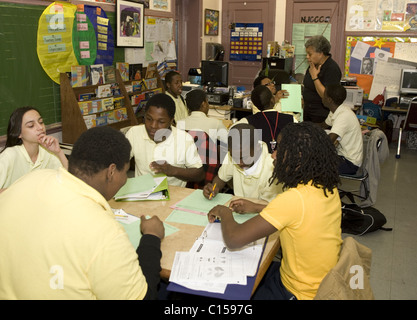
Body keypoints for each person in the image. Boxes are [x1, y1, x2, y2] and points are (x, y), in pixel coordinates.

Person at [0, 126, 165, 299]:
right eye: (125, 172)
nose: (125, 179)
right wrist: (151, 237)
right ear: (111, 172)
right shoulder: (105, 233)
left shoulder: (30, 178)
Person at [207, 121, 343, 300]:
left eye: (280, 149)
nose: (273, 155)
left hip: (299, 292)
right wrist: (256, 207)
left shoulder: (293, 199)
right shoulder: (326, 187)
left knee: (229, 291)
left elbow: (234, 239)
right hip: (318, 280)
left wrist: (224, 212)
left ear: (298, 156)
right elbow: (297, 215)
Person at [125, 93, 205, 187]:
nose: (153, 126)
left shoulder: (184, 139)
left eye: (161, 122)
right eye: (149, 119)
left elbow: (199, 174)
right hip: (141, 193)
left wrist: (173, 170)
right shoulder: (134, 133)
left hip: (174, 196)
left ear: (171, 121)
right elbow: (119, 162)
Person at [203, 123, 283, 203]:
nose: (239, 163)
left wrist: (249, 207)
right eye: (234, 157)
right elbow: (221, 178)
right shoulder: (234, 155)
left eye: (243, 158)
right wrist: (213, 188)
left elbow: (271, 206)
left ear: (257, 148)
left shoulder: (272, 167)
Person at [0, 107, 68, 192]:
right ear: (19, 133)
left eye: (41, 122)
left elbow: (69, 180)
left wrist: (59, 153)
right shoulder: (9, 156)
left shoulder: (48, 152)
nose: (40, 127)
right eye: (31, 126)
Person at [234, 85, 294, 153]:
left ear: (254, 104)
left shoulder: (246, 121)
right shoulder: (291, 119)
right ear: (273, 99)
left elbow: (230, 136)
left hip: (259, 162)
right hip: (283, 162)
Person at [321, 84, 363, 175]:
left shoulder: (343, 116)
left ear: (329, 100)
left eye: (324, 95)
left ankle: (321, 188)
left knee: (313, 163)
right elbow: (323, 125)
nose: (322, 97)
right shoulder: (336, 110)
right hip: (342, 155)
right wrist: (305, 126)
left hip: (350, 163)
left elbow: (328, 142)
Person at [303, 35, 342, 123]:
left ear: (320, 53)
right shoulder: (313, 65)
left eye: (310, 54)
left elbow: (327, 96)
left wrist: (314, 77)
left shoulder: (332, 68)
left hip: (321, 116)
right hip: (308, 112)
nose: (307, 57)